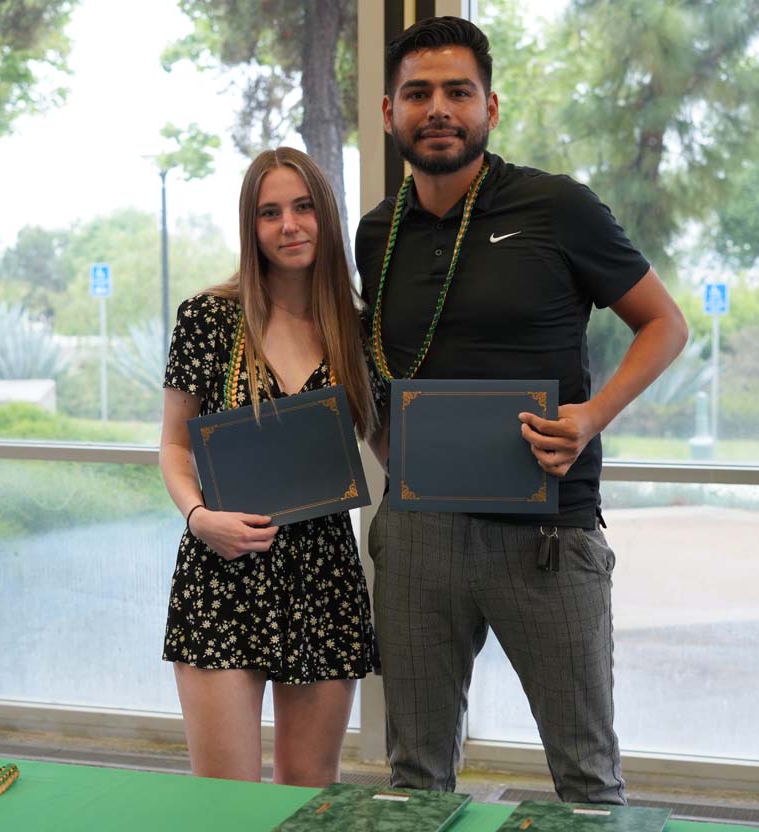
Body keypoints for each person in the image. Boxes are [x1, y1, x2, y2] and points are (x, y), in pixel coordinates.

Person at [357, 17, 689, 805]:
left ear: (490, 108)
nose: (438, 108)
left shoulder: (557, 206)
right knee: (415, 780)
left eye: (457, 92)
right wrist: (384, 446)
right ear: (388, 112)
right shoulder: (377, 233)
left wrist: (591, 417)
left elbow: (665, 324)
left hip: (547, 533)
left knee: (585, 776)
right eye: (418, 93)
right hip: (418, 535)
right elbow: (372, 360)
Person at [159, 147, 377, 786]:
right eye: (270, 212)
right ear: (250, 228)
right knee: (228, 808)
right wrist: (199, 518)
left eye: (304, 207)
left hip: (325, 578)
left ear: (326, 217)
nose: (290, 225)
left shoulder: (358, 330)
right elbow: (174, 445)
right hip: (223, 571)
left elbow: (395, 442)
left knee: (307, 804)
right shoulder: (210, 319)